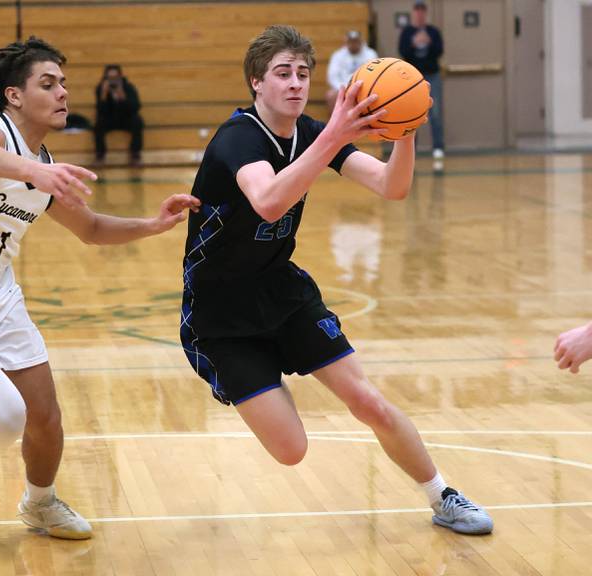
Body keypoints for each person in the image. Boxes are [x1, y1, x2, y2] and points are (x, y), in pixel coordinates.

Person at [179, 25, 492, 535]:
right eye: (282, 74)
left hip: (281, 289)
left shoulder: (313, 131)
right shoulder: (237, 138)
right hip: (219, 312)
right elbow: (269, 201)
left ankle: (443, 496)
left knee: (367, 400)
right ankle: (253, 380)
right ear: (256, 82)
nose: (295, 84)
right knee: (291, 449)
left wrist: (404, 132)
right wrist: (336, 134)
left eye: (303, 73)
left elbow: (392, 187)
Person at [0, 37, 199, 539]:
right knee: (6, 416)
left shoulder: (42, 162)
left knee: (45, 415)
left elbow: (93, 228)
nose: (63, 93)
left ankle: (40, 504)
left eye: (64, 84)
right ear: (14, 96)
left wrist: (151, 223)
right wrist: (36, 171)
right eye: (48, 83)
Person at [399, 0, 444, 159]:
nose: (420, 13)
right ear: (413, 13)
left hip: (432, 75)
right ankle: (412, 149)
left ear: (426, 13)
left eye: (422, 10)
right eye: (417, 10)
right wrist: (413, 43)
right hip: (412, 79)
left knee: (436, 113)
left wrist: (429, 42)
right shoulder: (407, 32)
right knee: (411, 113)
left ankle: (438, 147)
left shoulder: (433, 32)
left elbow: (439, 51)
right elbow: (403, 52)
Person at [94, 64, 143, 165]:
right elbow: (100, 111)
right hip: (109, 119)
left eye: (115, 78)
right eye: (110, 78)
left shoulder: (128, 87)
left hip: (126, 119)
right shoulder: (101, 88)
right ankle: (100, 156)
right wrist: (103, 96)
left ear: (120, 77)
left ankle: (135, 155)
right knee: (98, 124)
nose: (113, 81)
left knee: (137, 121)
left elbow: (135, 107)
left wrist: (123, 97)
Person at [325, 31, 377, 114]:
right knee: (331, 95)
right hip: (342, 88)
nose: (353, 44)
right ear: (347, 42)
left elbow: (374, 75)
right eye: (351, 42)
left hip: (364, 88)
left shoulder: (370, 54)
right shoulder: (338, 55)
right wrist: (343, 89)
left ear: (360, 41)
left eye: (356, 41)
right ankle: (335, 124)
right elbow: (332, 77)